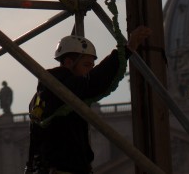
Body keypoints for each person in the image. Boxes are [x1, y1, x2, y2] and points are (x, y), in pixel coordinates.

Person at [26, 27, 150, 174]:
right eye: (86, 65)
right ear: (68, 63)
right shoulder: (58, 88)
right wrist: (126, 49)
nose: (90, 70)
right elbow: (92, 82)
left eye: (92, 66)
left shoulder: (44, 94)